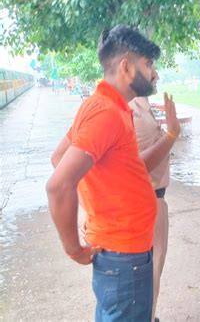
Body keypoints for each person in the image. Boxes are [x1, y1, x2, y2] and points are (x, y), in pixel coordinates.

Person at [47, 25, 161, 321]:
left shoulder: (105, 105)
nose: (154, 73)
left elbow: (59, 156)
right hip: (124, 259)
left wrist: (95, 209)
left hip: (124, 253)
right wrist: (74, 249)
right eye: (148, 64)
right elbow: (59, 184)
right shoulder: (106, 113)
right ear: (126, 66)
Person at [129, 86, 181, 321]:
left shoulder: (141, 105)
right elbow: (135, 165)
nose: (155, 74)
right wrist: (170, 134)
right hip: (145, 200)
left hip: (153, 198)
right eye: (149, 66)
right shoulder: (129, 109)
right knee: (147, 272)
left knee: (153, 268)